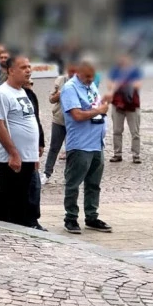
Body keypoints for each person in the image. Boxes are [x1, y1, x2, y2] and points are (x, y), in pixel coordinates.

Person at [59, 59, 112, 234]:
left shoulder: (91, 86)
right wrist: (99, 111)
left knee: (94, 184)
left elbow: (94, 106)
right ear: (78, 72)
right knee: (74, 183)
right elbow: (77, 115)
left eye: (93, 76)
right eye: (88, 76)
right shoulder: (70, 88)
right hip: (80, 144)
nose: (91, 79)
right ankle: (71, 218)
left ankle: (92, 216)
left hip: (96, 143)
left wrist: (102, 104)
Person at [0, 55, 42, 228]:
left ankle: (24, 227)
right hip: (12, 157)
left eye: (29, 66)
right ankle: (3, 230)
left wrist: (34, 154)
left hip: (27, 156)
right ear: (11, 71)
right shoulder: (2, 93)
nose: (28, 70)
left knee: (24, 197)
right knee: (9, 197)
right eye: (23, 67)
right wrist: (13, 153)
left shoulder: (22, 91)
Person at [42, 62, 77, 186]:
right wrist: (58, 95)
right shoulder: (60, 80)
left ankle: (70, 176)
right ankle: (47, 173)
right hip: (59, 119)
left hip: (74, 121)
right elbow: (51, 99)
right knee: (54, 148)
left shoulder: (80, 82)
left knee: (72, 149)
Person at [107, 53, 142, 164]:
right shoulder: (114, 70)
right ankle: (117, 154)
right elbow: (110, 85)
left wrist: (122, 84)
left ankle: (136, 155)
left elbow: (138, 85)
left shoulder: (134, 70)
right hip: (118, 103)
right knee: (117, 130)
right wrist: (121, 84)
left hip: (132, 104)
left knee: (135, 131)